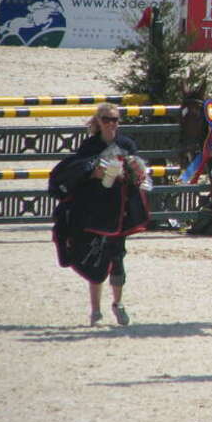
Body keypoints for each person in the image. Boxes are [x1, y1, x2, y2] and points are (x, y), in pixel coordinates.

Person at [49, 103, 150, 327]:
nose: (112, 123)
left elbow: (139, 176)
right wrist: (93, 173)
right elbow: (77, 171)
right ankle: (95, 311)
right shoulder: (90, 146)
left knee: (118, 256)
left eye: (115, 119)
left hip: (120, 210)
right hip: (95, 210)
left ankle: (118, 304)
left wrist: (134, 172)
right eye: (107, 119)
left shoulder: (126, 143)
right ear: (98, 121)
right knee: (96, 258)